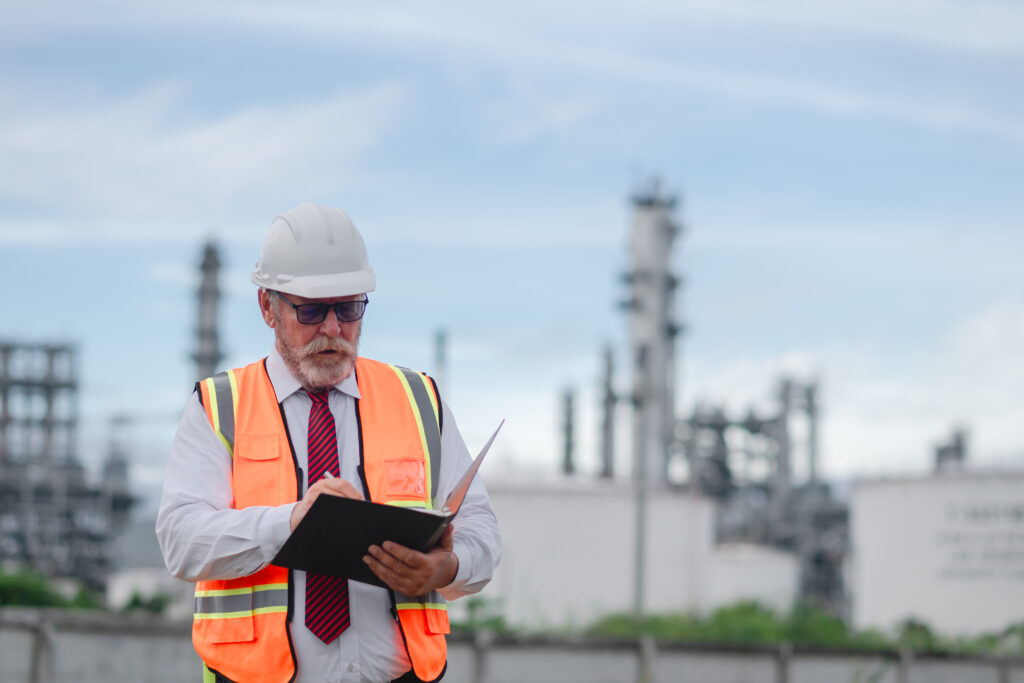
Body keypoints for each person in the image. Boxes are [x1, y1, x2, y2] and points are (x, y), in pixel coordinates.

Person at [157, 202, 501, 683]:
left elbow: (482, 528)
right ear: (267, 308)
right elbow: (180, 542)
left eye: (349, 308)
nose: (334, 329)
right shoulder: (219, 407)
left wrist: (446, 567)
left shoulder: (418, 399)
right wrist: (293, 522)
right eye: (313, 310)